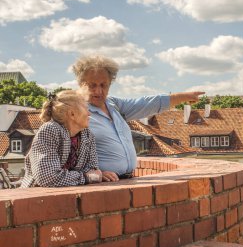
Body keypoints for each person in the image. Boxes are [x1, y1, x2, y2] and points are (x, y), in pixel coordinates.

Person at [73, 54, 204, 182]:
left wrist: (184, 97)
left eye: (103, 85)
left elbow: (146, 104)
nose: (98, 91)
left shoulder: (113, 104)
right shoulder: (75, 112)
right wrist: (94, 175)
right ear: (81, 84)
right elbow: (63, 154)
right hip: (101, 185)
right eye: (92, 85)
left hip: (127, 180)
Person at [21, 90, 102, 187]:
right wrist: (85, 177)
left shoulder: (88, 135)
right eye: (86, 108)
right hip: (38, 197)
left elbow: (94, 171)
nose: (89, 113)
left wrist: (89, 176)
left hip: (72, 195)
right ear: (72, 114)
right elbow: (47, 177)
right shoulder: (49, 130)